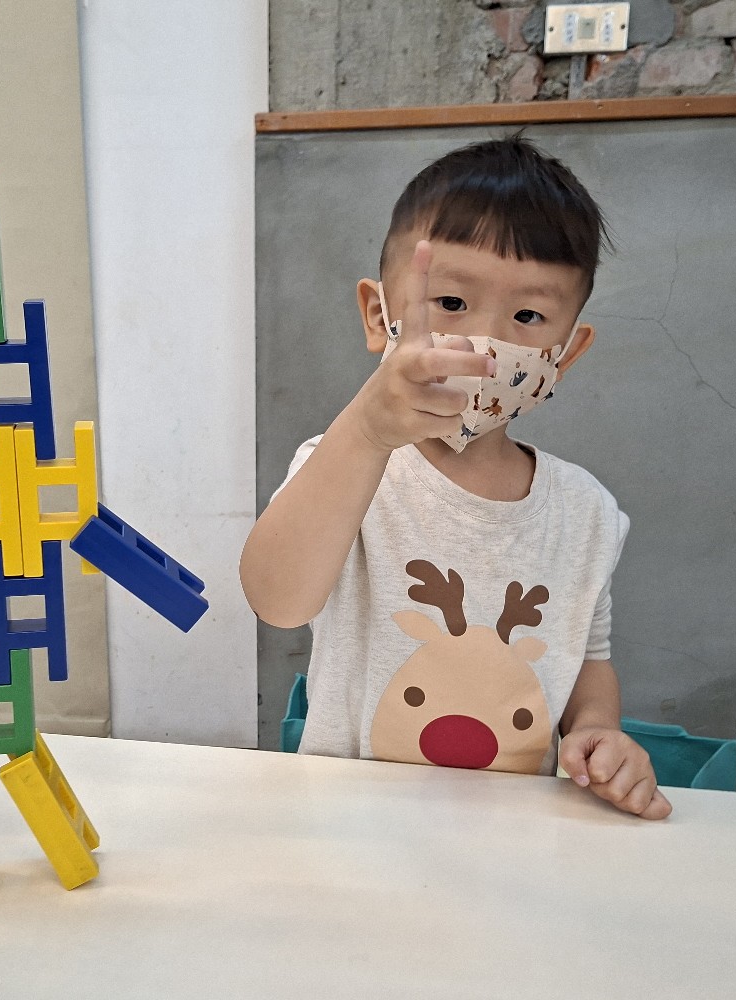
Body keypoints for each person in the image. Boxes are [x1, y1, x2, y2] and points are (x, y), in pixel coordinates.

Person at [240, 135, 670, 819]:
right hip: (352, 824)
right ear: (379, 315)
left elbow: (587, 655)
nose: (482, 343)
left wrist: (596, 730)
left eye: (527, 316)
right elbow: (277, 602)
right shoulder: (345, 465)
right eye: (448, 301)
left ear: (565, 353)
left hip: (516, 832)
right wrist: (366, 430)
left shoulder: (584, 510)